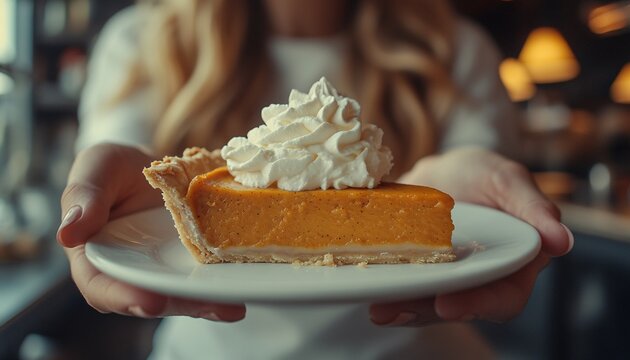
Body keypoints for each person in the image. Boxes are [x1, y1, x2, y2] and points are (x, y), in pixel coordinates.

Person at [57, 0, 573, 358]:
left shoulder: (456, 48)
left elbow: (478, 181)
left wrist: (478, 179)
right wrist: (103, 193)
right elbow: (123, 183)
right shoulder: (141, 41)